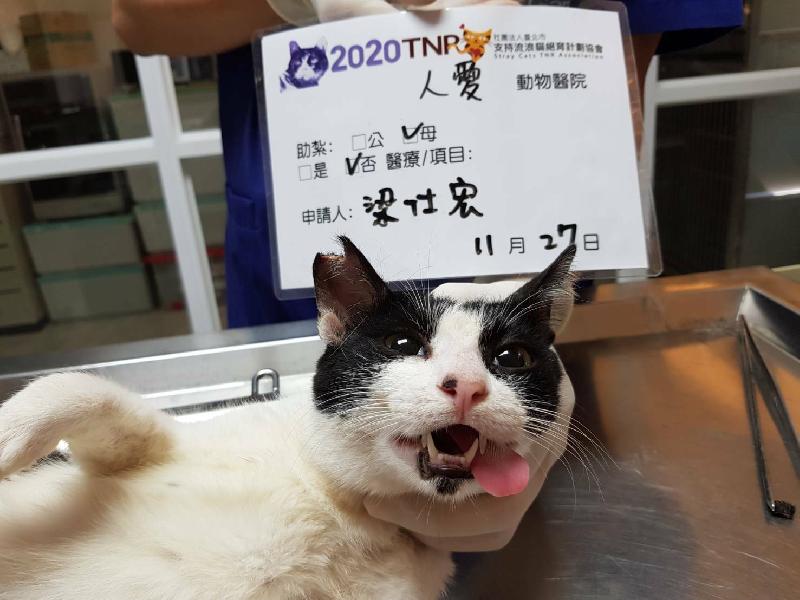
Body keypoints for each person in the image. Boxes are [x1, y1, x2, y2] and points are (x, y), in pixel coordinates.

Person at [115, 0, 742, 551]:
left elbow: (616, 77)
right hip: (318, 235)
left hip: (523, 258)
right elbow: (138, 17)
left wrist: (533, 318)